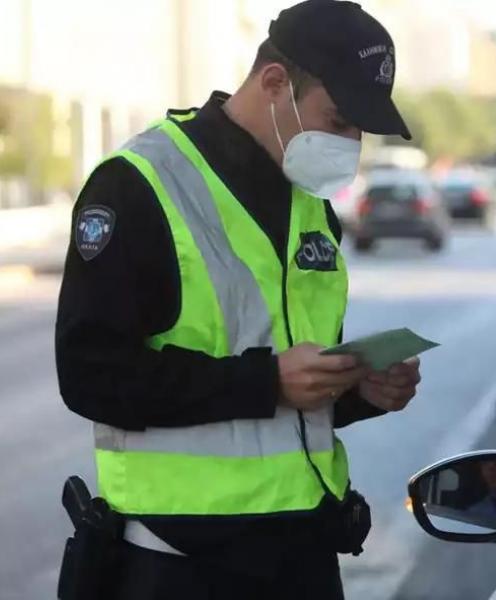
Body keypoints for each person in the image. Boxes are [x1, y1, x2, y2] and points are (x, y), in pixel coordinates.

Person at [54, 1, 419, 598]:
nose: (349, 143)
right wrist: (267, 382)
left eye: (360, 129)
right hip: (182, 564)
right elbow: (91, 375)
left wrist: (356, 390)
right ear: (275, 82)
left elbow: (289, 382)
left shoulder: (310, 203)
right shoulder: (140, 185)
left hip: (302, 553)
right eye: (338, 119)